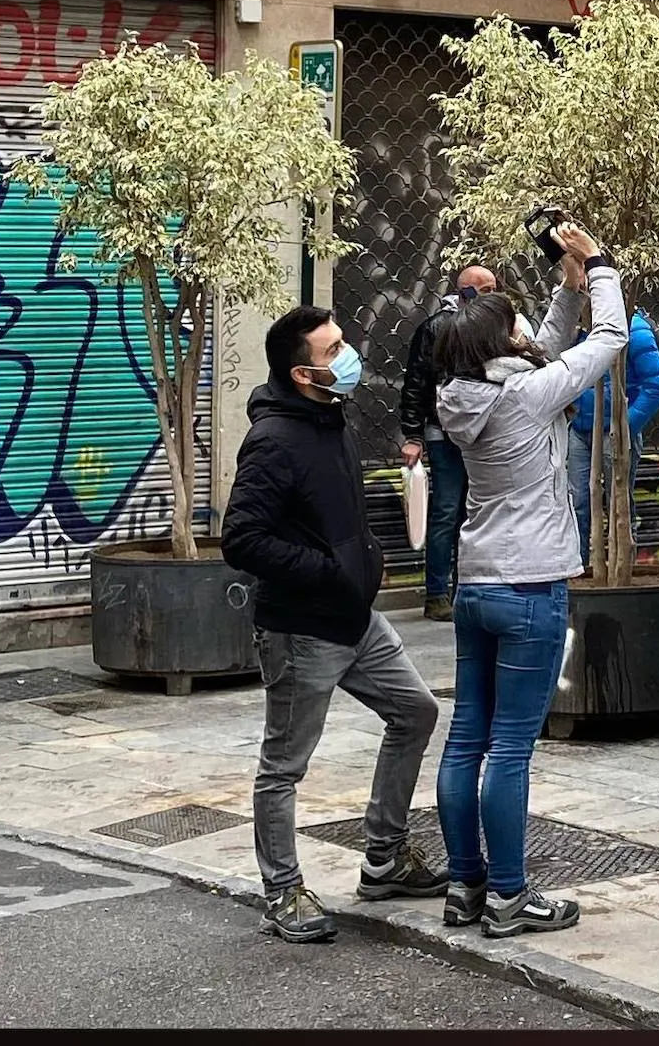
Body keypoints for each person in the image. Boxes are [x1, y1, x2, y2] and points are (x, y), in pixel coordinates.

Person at [222, 305, 446, 945]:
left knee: (417, 712)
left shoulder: (330, 418)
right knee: (284, 766)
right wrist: (323, 571)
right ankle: (283, 891)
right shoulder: (274, 441)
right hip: (302, 628)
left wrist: (357, 565)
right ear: (302, 373)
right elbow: (241, 538)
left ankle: (384, 856)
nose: (348, 355)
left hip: (355, 618)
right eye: (334, 350)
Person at [432, 223, 626, 938]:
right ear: (497, 342)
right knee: (511, 747)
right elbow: (608, 341)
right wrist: (600, 266)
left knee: (466, 739)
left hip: (477, 583)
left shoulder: (464, 392)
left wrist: (563, 290)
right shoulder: (526, 397)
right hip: (530, 587)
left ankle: (465, 885)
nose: (521, 325)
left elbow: (534, 348)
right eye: (509, 319)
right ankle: (511, 896)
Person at [400, 266, 534, 621]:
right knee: (446, 511)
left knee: (470, 511)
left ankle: (465, 588)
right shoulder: (438, 327)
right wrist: (413, 435)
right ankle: (437, 594)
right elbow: (417, 382)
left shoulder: (489, 327)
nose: (494, 294)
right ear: (466, 292)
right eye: (485, 289)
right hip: (443, 433)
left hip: (478, 431)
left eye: (495, 287)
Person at [567, 306, 659, 571]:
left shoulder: (634, 330)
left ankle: (620, 572)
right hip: (580, 430)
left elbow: (657, 387)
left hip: (613, 431)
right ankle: (579, 571)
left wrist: (625, 426)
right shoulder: (579, 331)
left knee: (619, 505)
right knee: (577, 502)